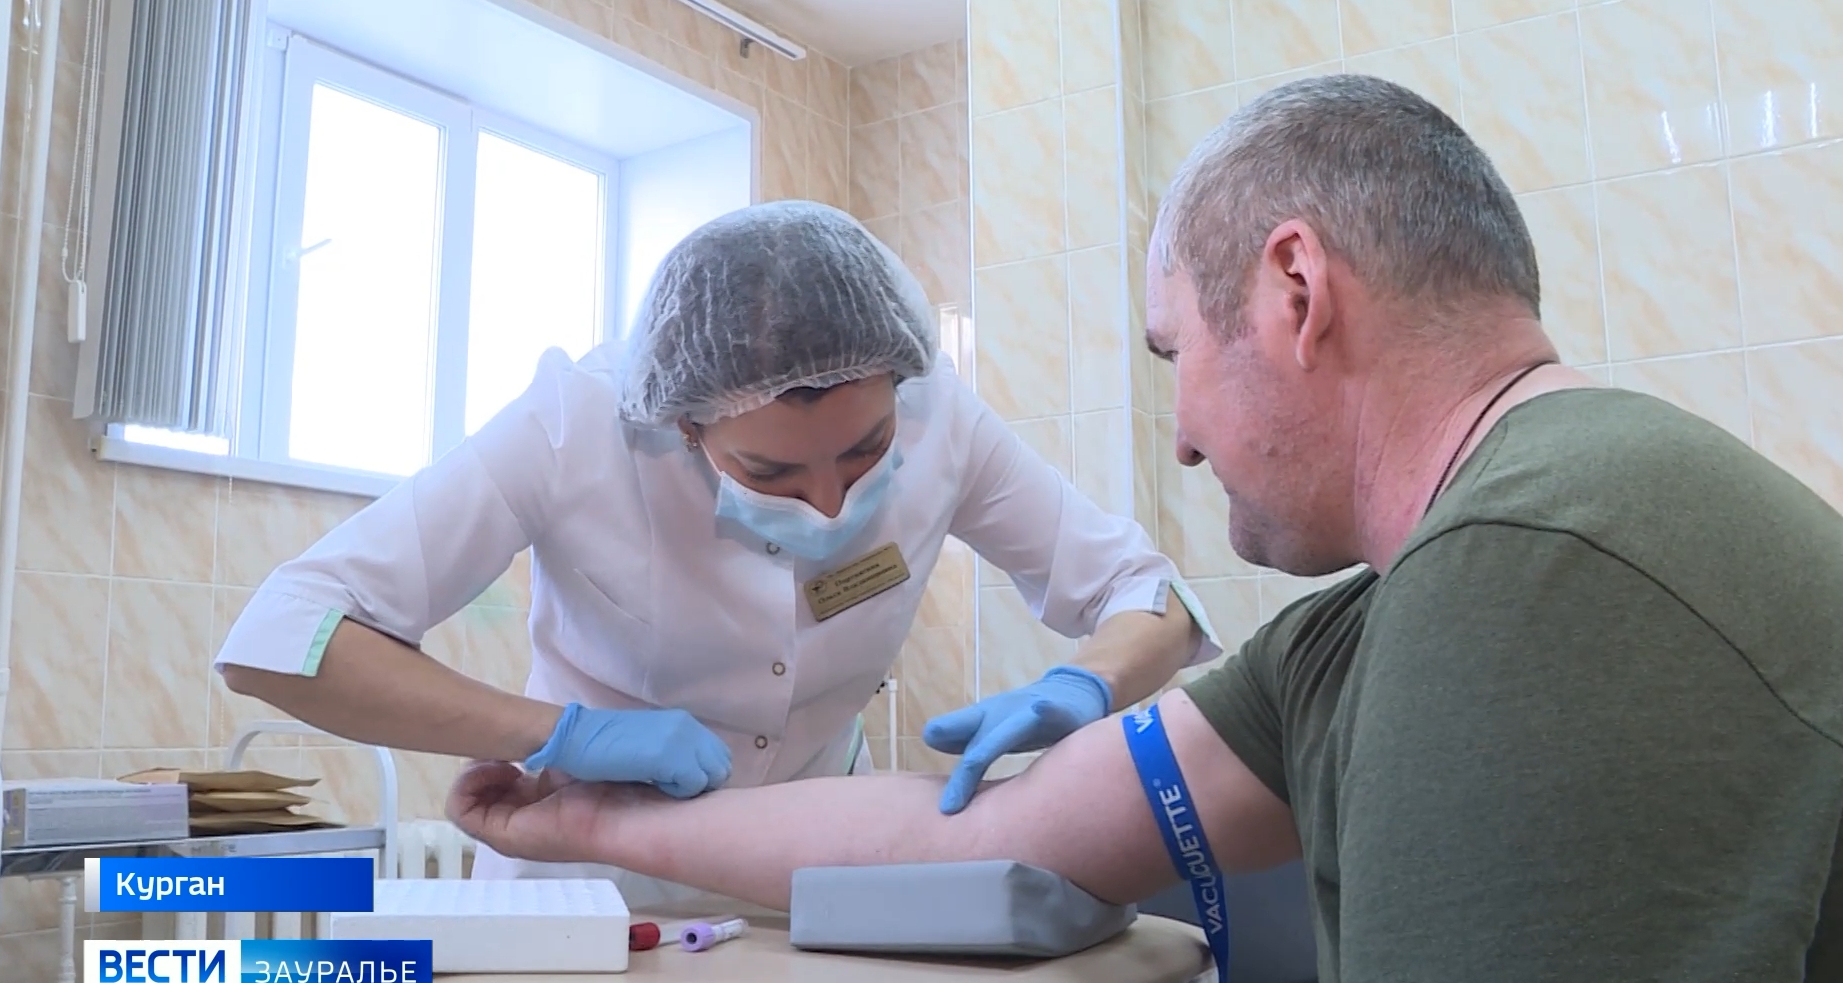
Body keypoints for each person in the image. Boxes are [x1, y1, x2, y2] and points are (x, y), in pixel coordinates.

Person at [446, 75, 1843, 981]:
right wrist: (586, 816)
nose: (1177, 433)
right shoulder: (1388, 616)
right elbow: (991, 836)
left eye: (1175, 351)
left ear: (1294, 293)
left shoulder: (1530, 574)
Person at [215, 200, 1219, 904]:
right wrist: (563, 732)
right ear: (680, 423)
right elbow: (283, 637)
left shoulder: (942, 418)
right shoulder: (575, 426)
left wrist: (1087, 680)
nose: (829, 501)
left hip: (818, 868)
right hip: (588, 880)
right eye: (769, 470)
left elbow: (1152, 596)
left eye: (865, 451)